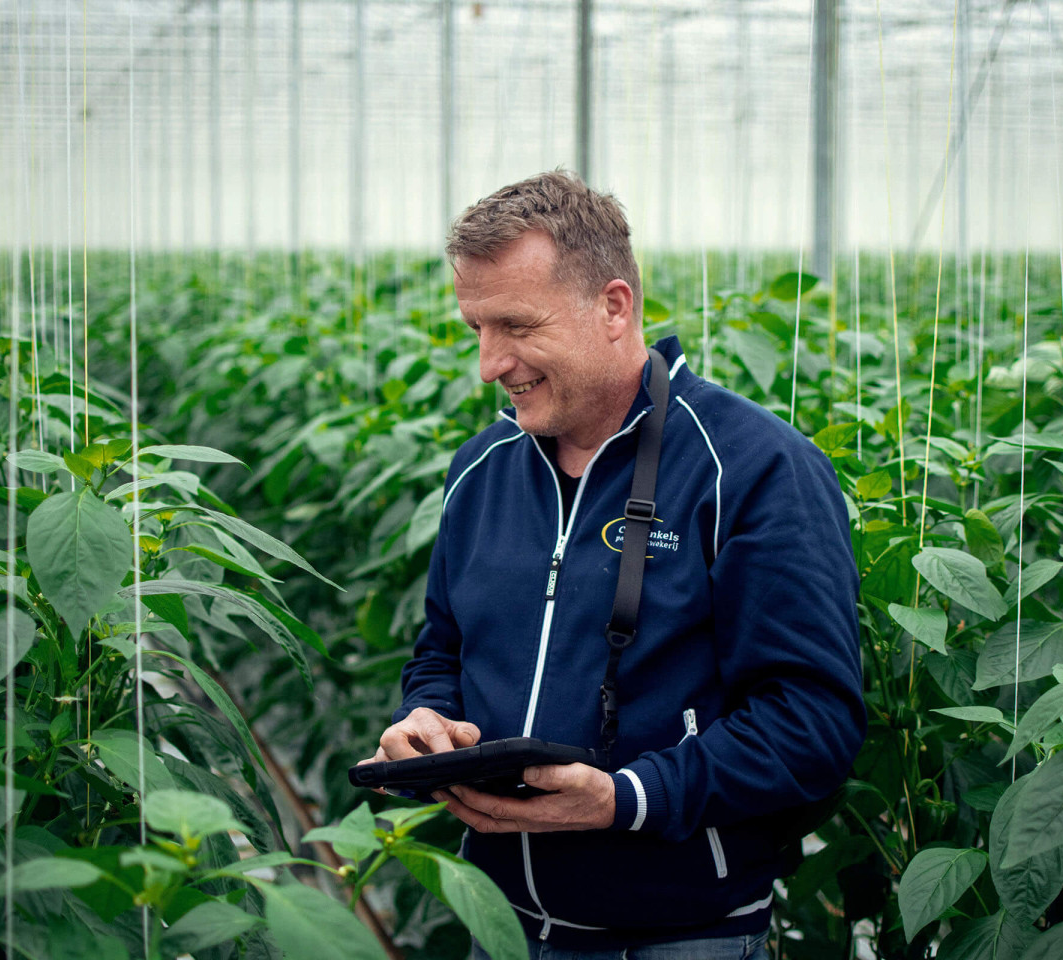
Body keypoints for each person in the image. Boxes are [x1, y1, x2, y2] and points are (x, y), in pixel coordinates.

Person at [362, 171, 864, 958]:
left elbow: (814, 722)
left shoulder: (753, 468)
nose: (491, 363)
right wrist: (427, 722)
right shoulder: (481, 468)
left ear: (614, 306)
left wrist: (627, 797)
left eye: (517, 326)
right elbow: (444, 652)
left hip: (682, 933)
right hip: (502, 924)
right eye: (476, 330)